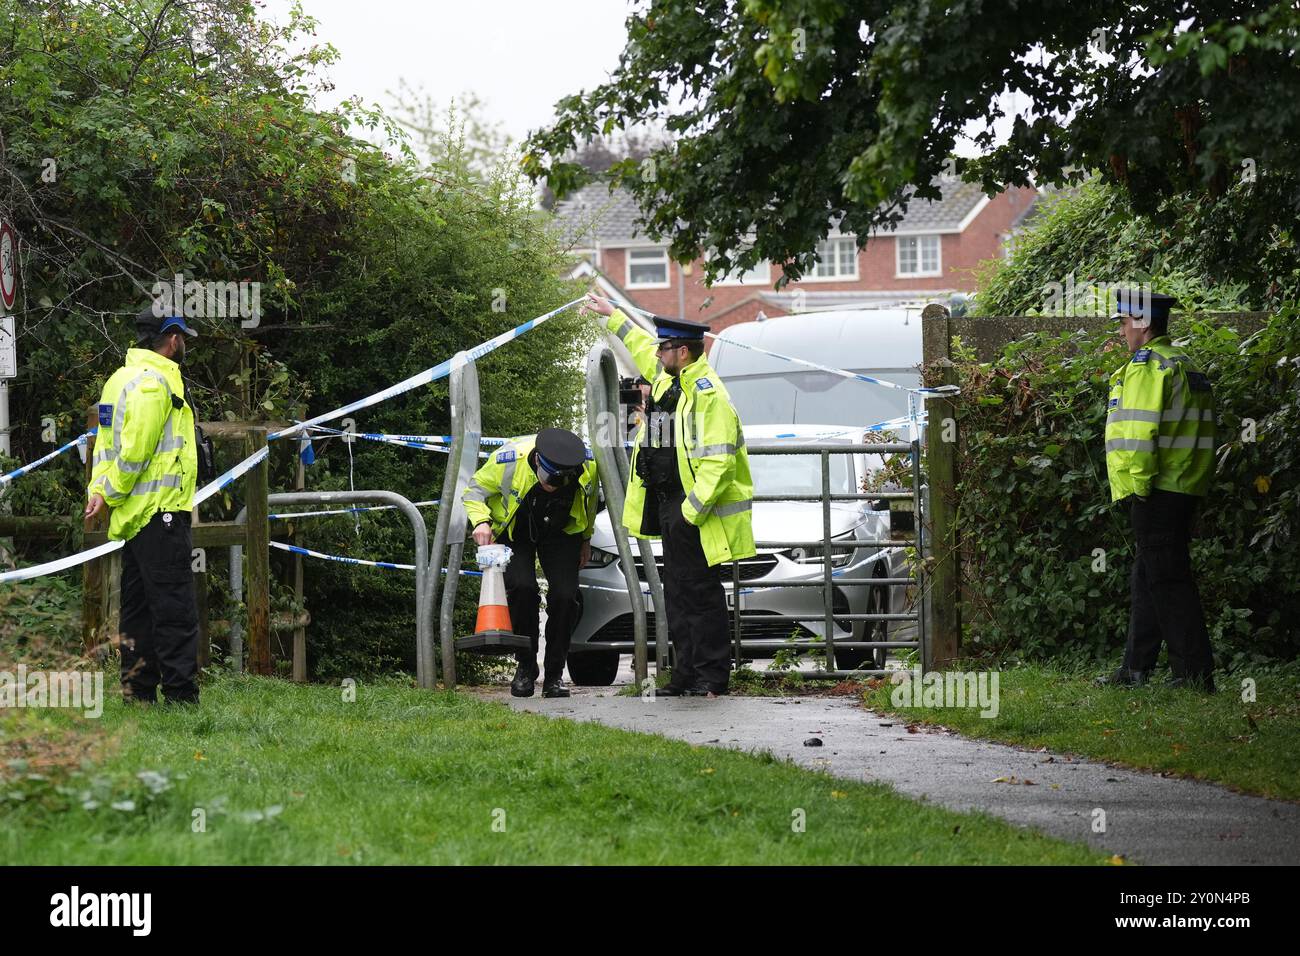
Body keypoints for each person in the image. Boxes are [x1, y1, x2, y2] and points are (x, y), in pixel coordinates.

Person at [583, 294, 755, 697]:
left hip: (692, 509)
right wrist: (612, 316)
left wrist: (689, 512)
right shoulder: (668, 379)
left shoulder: (708, 395)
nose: (657, 354)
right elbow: (642, 345)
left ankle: (711, 677)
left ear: (682, 350)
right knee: (677, 592)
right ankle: (683, 675)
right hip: (668, 504)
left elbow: (719, 463)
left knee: (701, 594)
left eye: (665, 348)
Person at [1098, 289, 1217, 692]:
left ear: (1143, 323)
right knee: (1148, 577)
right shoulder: (1184, 363)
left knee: (1168, 580)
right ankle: (1135, 669)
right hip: (1185, 486)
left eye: (1123, 321)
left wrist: (1139, 486)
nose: (1120, 329)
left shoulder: (1148, 367)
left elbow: (1140, 434)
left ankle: (1194, 674)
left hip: (1156, 489)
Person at [85, 305, 201, 705]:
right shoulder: (157, 383)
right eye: (182, 337)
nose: (183, 344)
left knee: (136, 610)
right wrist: (111, 491)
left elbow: (104, 446)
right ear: (171, 339)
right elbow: (135, 451)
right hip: (161, 511)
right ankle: (181, 697)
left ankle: (137, 691)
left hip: (132, 518)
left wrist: (98, 492)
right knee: (174, 609)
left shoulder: (118, 381)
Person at [463, 428, 599, 698]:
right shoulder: (508, 460)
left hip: (561, 532)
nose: (553, 485)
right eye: (549, 478)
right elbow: (473, 491)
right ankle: (525, 667)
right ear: (537, 461)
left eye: (562, 480)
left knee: (565, 596)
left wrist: (586, 538)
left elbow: (591, 501)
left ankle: (555, 675)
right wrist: (480, 521)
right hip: (516, 531)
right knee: (523, 589)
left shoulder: (587, 466)